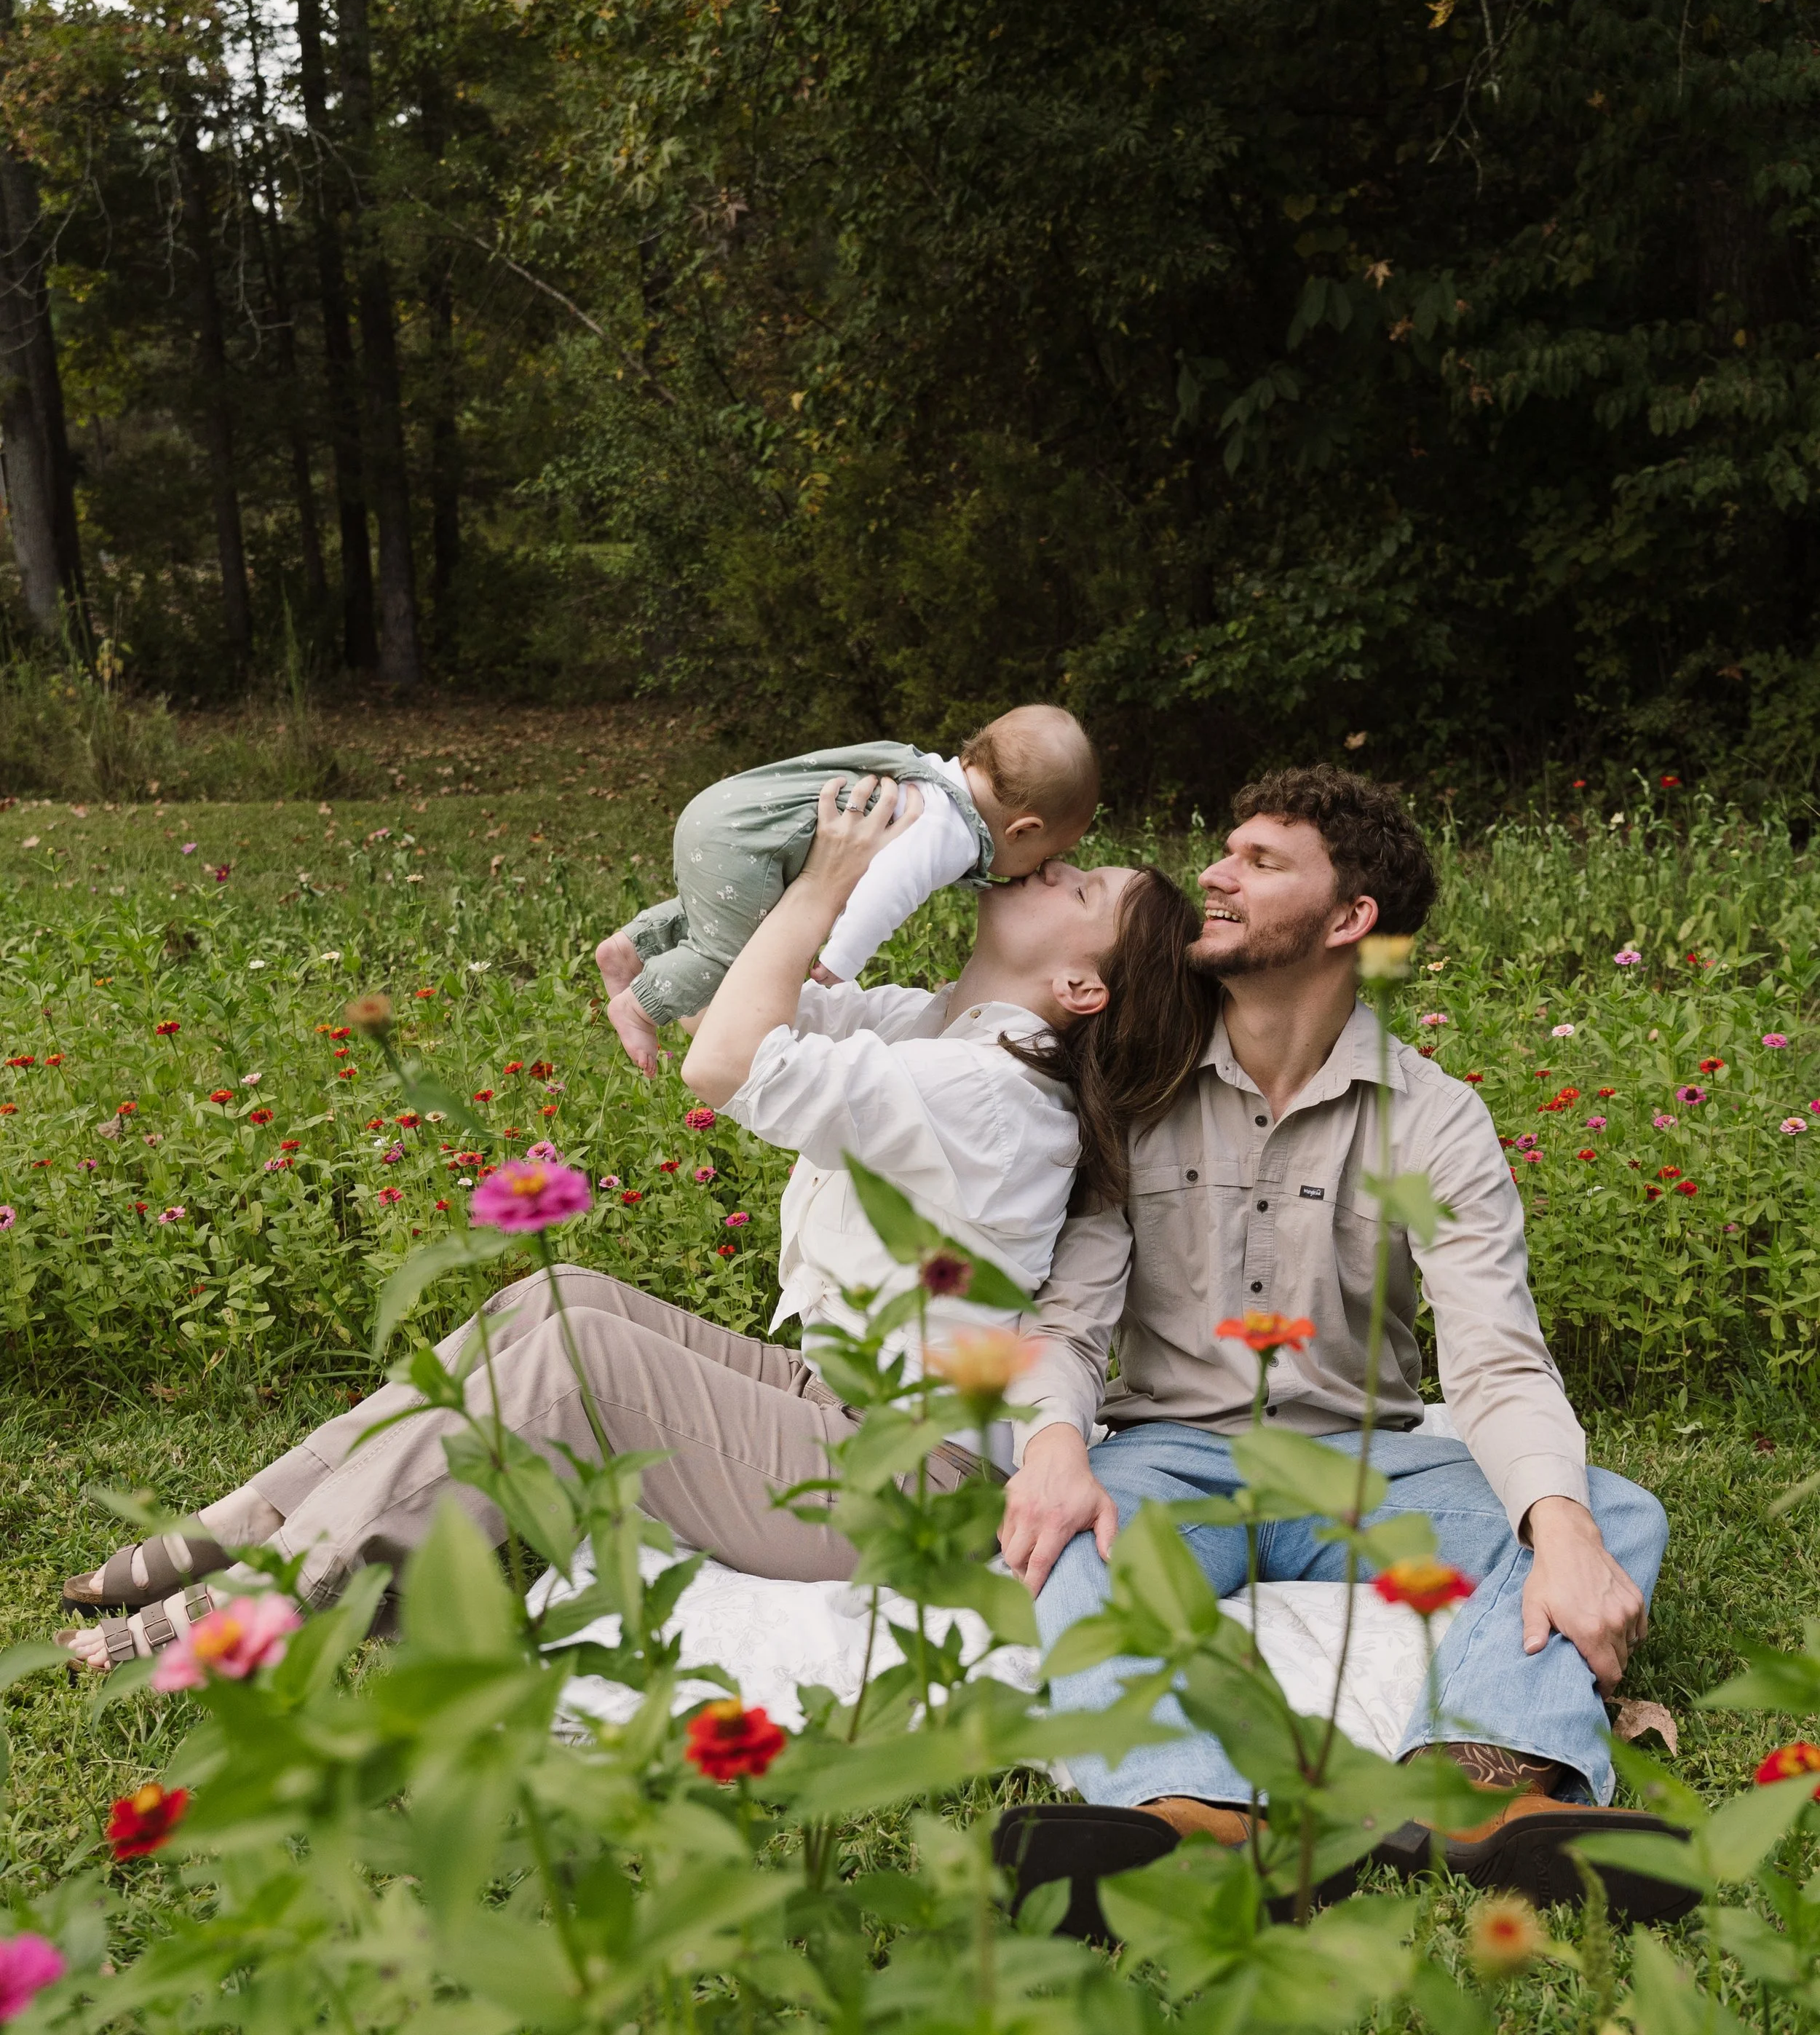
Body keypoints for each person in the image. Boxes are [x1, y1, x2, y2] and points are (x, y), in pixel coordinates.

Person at [59, 776, 1211, 1670]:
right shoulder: (931, 1025)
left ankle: (261, 1601)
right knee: (558, 1299)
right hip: (838, 1402)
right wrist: (685, 934)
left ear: (1084, 989)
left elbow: (726, 1063)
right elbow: (735, 997)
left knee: (576, 1360)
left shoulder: (991, 1093)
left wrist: (824, 880)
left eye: (1084, 890)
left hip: (912, 1480)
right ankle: (245, 1521)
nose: (1054, 865)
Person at [995, 764, 1693, 1924]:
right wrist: (1056, 1443)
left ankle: (1483, 1787)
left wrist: (1561, 1530)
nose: (1213, 873)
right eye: (1226, 849)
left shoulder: (1436, 1120)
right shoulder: (1138, 1080)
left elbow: (1498, 1358)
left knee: (1614, 1514)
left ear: (1349, 919)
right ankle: (1191, 1811)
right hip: (1170, 1456)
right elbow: (1071, 1317)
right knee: (1054, 1535)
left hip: (1366, 1463)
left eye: (1260, 861)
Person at [594, 705, 1099, 1073]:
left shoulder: (926, 775)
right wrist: (841, 962)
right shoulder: (951, 830)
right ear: (1023, 829)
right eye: (1046, 854)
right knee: (728, 951)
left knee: (724, 914)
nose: (1044, 868)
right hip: (751, 848)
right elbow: (890, 886)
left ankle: (634, 944)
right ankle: (640, 1005)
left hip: (728, 818)